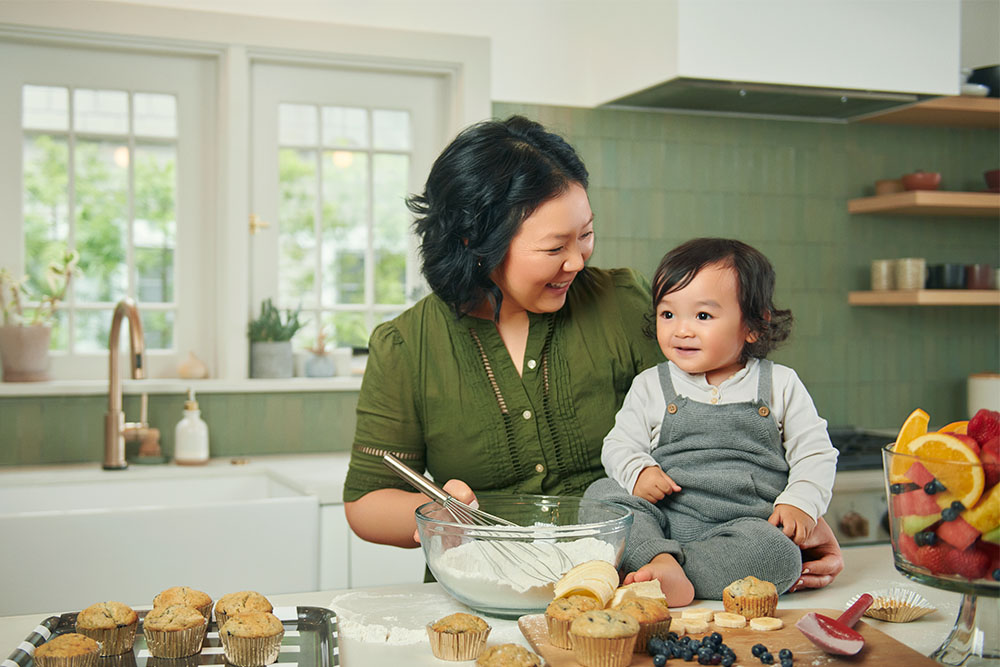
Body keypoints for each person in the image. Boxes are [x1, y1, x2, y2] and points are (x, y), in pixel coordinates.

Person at [342, 116, 844, 592]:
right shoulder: (407, 346)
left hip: (634, 587)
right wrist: (434, 515)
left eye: (585, 235)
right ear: (476, 241)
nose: (578, 261)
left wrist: (800, 521)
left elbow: (720, 421)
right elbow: (366, 502)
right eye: (554, 246)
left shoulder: (623, 304)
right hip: (485, 591)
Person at [585, 238, 839, 605]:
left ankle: (666, 570)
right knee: (601, 495)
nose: (681, 330)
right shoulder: (652, 385)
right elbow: (619, 445)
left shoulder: (779, 384)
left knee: (780, 556)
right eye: (668, 314)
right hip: (666, 516)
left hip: (744, 528)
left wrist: (801, 502)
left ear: (753, 325)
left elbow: (815, 452)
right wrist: (639, 471)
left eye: (702, 316)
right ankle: (660, 558)